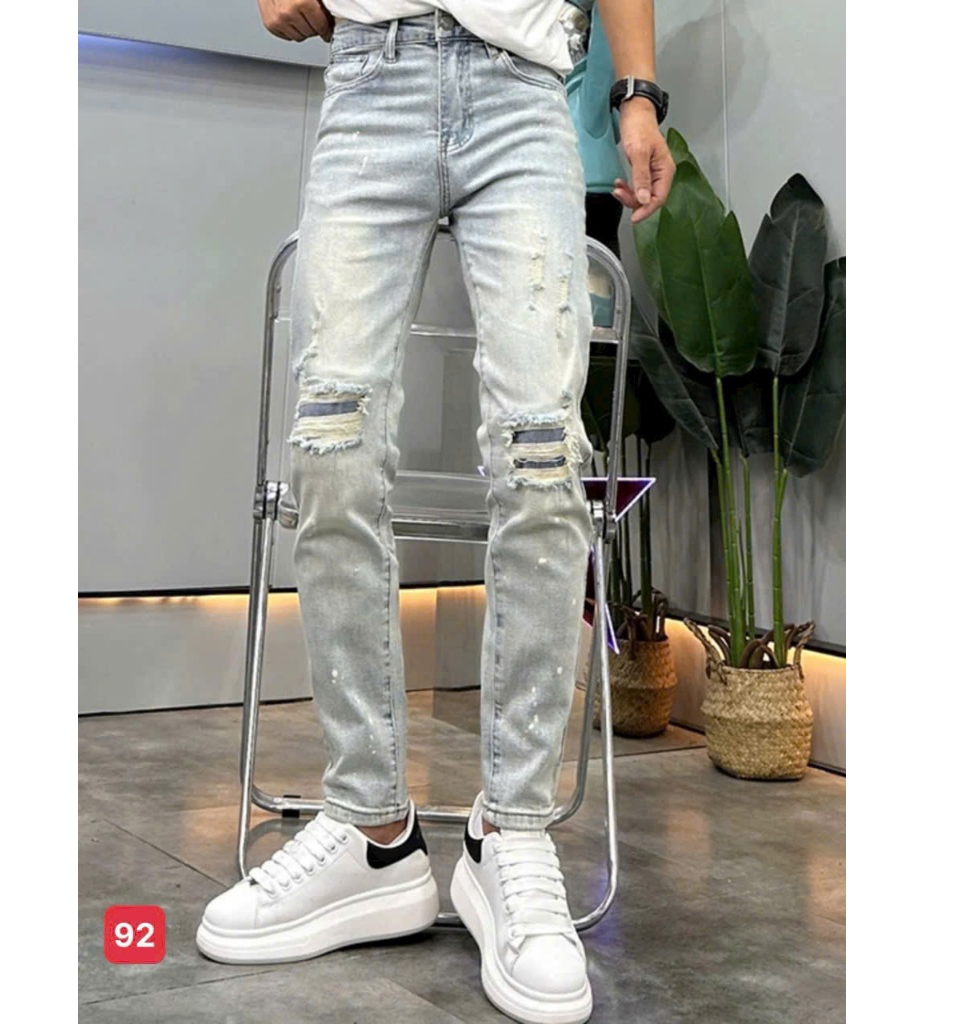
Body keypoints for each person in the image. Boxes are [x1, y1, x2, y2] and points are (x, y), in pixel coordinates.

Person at [197, 3, 674, 1022]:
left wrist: (636, 92)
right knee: (329, 445)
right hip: (372, 76)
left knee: (542, 455)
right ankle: (371, 832)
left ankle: (512, 830)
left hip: (522, 89)